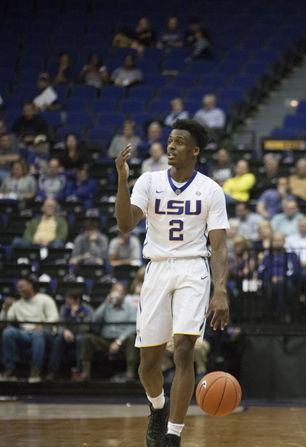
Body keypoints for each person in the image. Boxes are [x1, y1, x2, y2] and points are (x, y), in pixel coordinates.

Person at [115, 118, 230, 446]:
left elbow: (219, 245)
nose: (171, 146)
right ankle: (158, 407)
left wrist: (220, 290)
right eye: (170, 141)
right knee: (147, 364)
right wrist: (122, 180)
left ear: (194, 150)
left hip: (194, 269)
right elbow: (125, 225)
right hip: (157, 269)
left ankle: (173, 435)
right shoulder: (149, 182)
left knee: (183, 350)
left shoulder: (210, 190)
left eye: (179, 142)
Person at [0, 276, 59, 382]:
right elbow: (5, 320)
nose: (19, 290)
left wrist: (43, 324)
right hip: (25, 333)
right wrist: (5, 309)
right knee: (8, 332)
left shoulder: (45, 299)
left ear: (30, 286)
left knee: (38, 333)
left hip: (45, 333)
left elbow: (54, 317)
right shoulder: (17, 304)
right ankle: (10, 369)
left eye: (22, 287)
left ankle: (35, 371)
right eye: (18, 288)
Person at [78, 283, 137, 382]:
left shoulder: (130, 308)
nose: (117, 294)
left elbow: (132, 326)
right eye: (115, 291)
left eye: (120, 292)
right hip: (105, 340)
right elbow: (94, 321)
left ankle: (130, 373)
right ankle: (85, 372)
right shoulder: (106, 306)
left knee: (131, 338)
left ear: (124, 295)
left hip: (122, 341)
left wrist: (118, 341)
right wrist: (105, 303)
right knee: (87, 338)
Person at [46, 289, 92, 381]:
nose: (67, 301)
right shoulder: (64, 308)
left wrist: (76, 316)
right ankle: (53, 371)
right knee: (58, 339)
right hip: (67, 334)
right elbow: (61, 324)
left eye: (69, 299)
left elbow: (87, 327)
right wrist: (65, 331)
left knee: (80, 339)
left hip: (81, 334)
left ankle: (79, 371)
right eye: (67, 299)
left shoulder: (87, 310)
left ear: (77, 300)